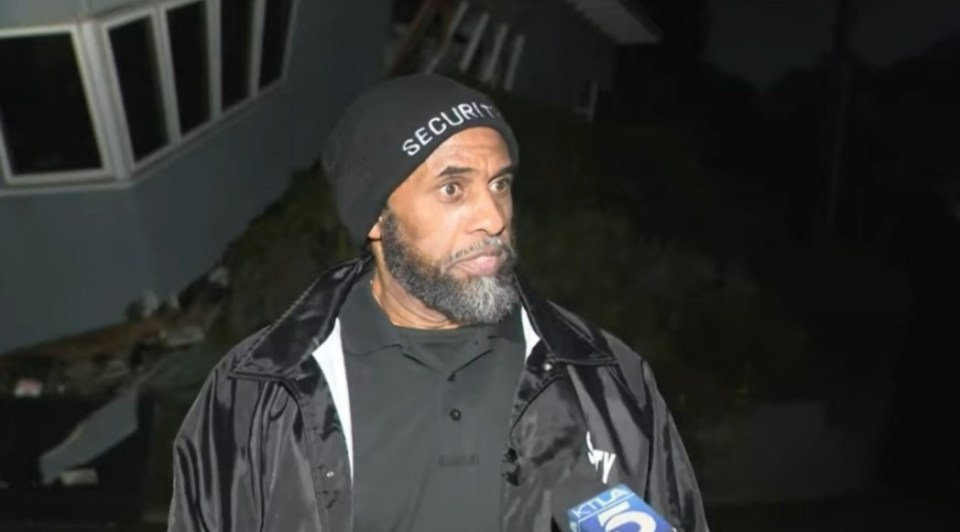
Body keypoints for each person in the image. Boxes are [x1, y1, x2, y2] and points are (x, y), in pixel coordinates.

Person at [167, 74, 709, 531]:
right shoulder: (255, 394)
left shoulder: (604, 379)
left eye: (500, 184)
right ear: (376, 217)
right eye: (453, 188)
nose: (494, 218)